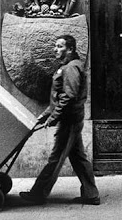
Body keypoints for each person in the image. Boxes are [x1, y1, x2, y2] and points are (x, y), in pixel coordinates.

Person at [19, 34, 100, 206]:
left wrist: (54, 118)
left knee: (56, 158)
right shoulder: (67, 67)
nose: (56, 49)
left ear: (70, 49)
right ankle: (91, 195)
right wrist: (45, 115)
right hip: (71, 118)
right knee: (78, 157)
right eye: (55, 46)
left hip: (69, 120)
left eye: (60, 46)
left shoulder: (71, 68)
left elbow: (69, 97)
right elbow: (57, 98)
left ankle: (39, 193)